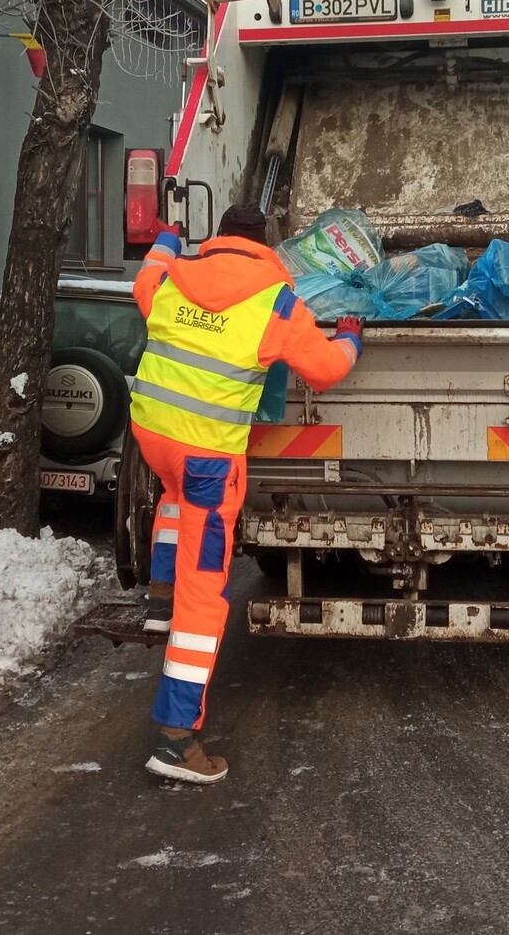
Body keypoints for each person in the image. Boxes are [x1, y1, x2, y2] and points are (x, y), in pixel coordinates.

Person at [130, 204, 364, 783]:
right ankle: (177, 740)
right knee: (205, 599)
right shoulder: (277, 301)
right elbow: (327, 370)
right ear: (269, 246)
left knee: (171, 493)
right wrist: (352, 338)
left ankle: (160, 598)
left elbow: (143, 277)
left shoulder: (172, 276)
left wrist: (164, 236)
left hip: (153, 434)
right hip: (208, 459)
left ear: (220, 240)